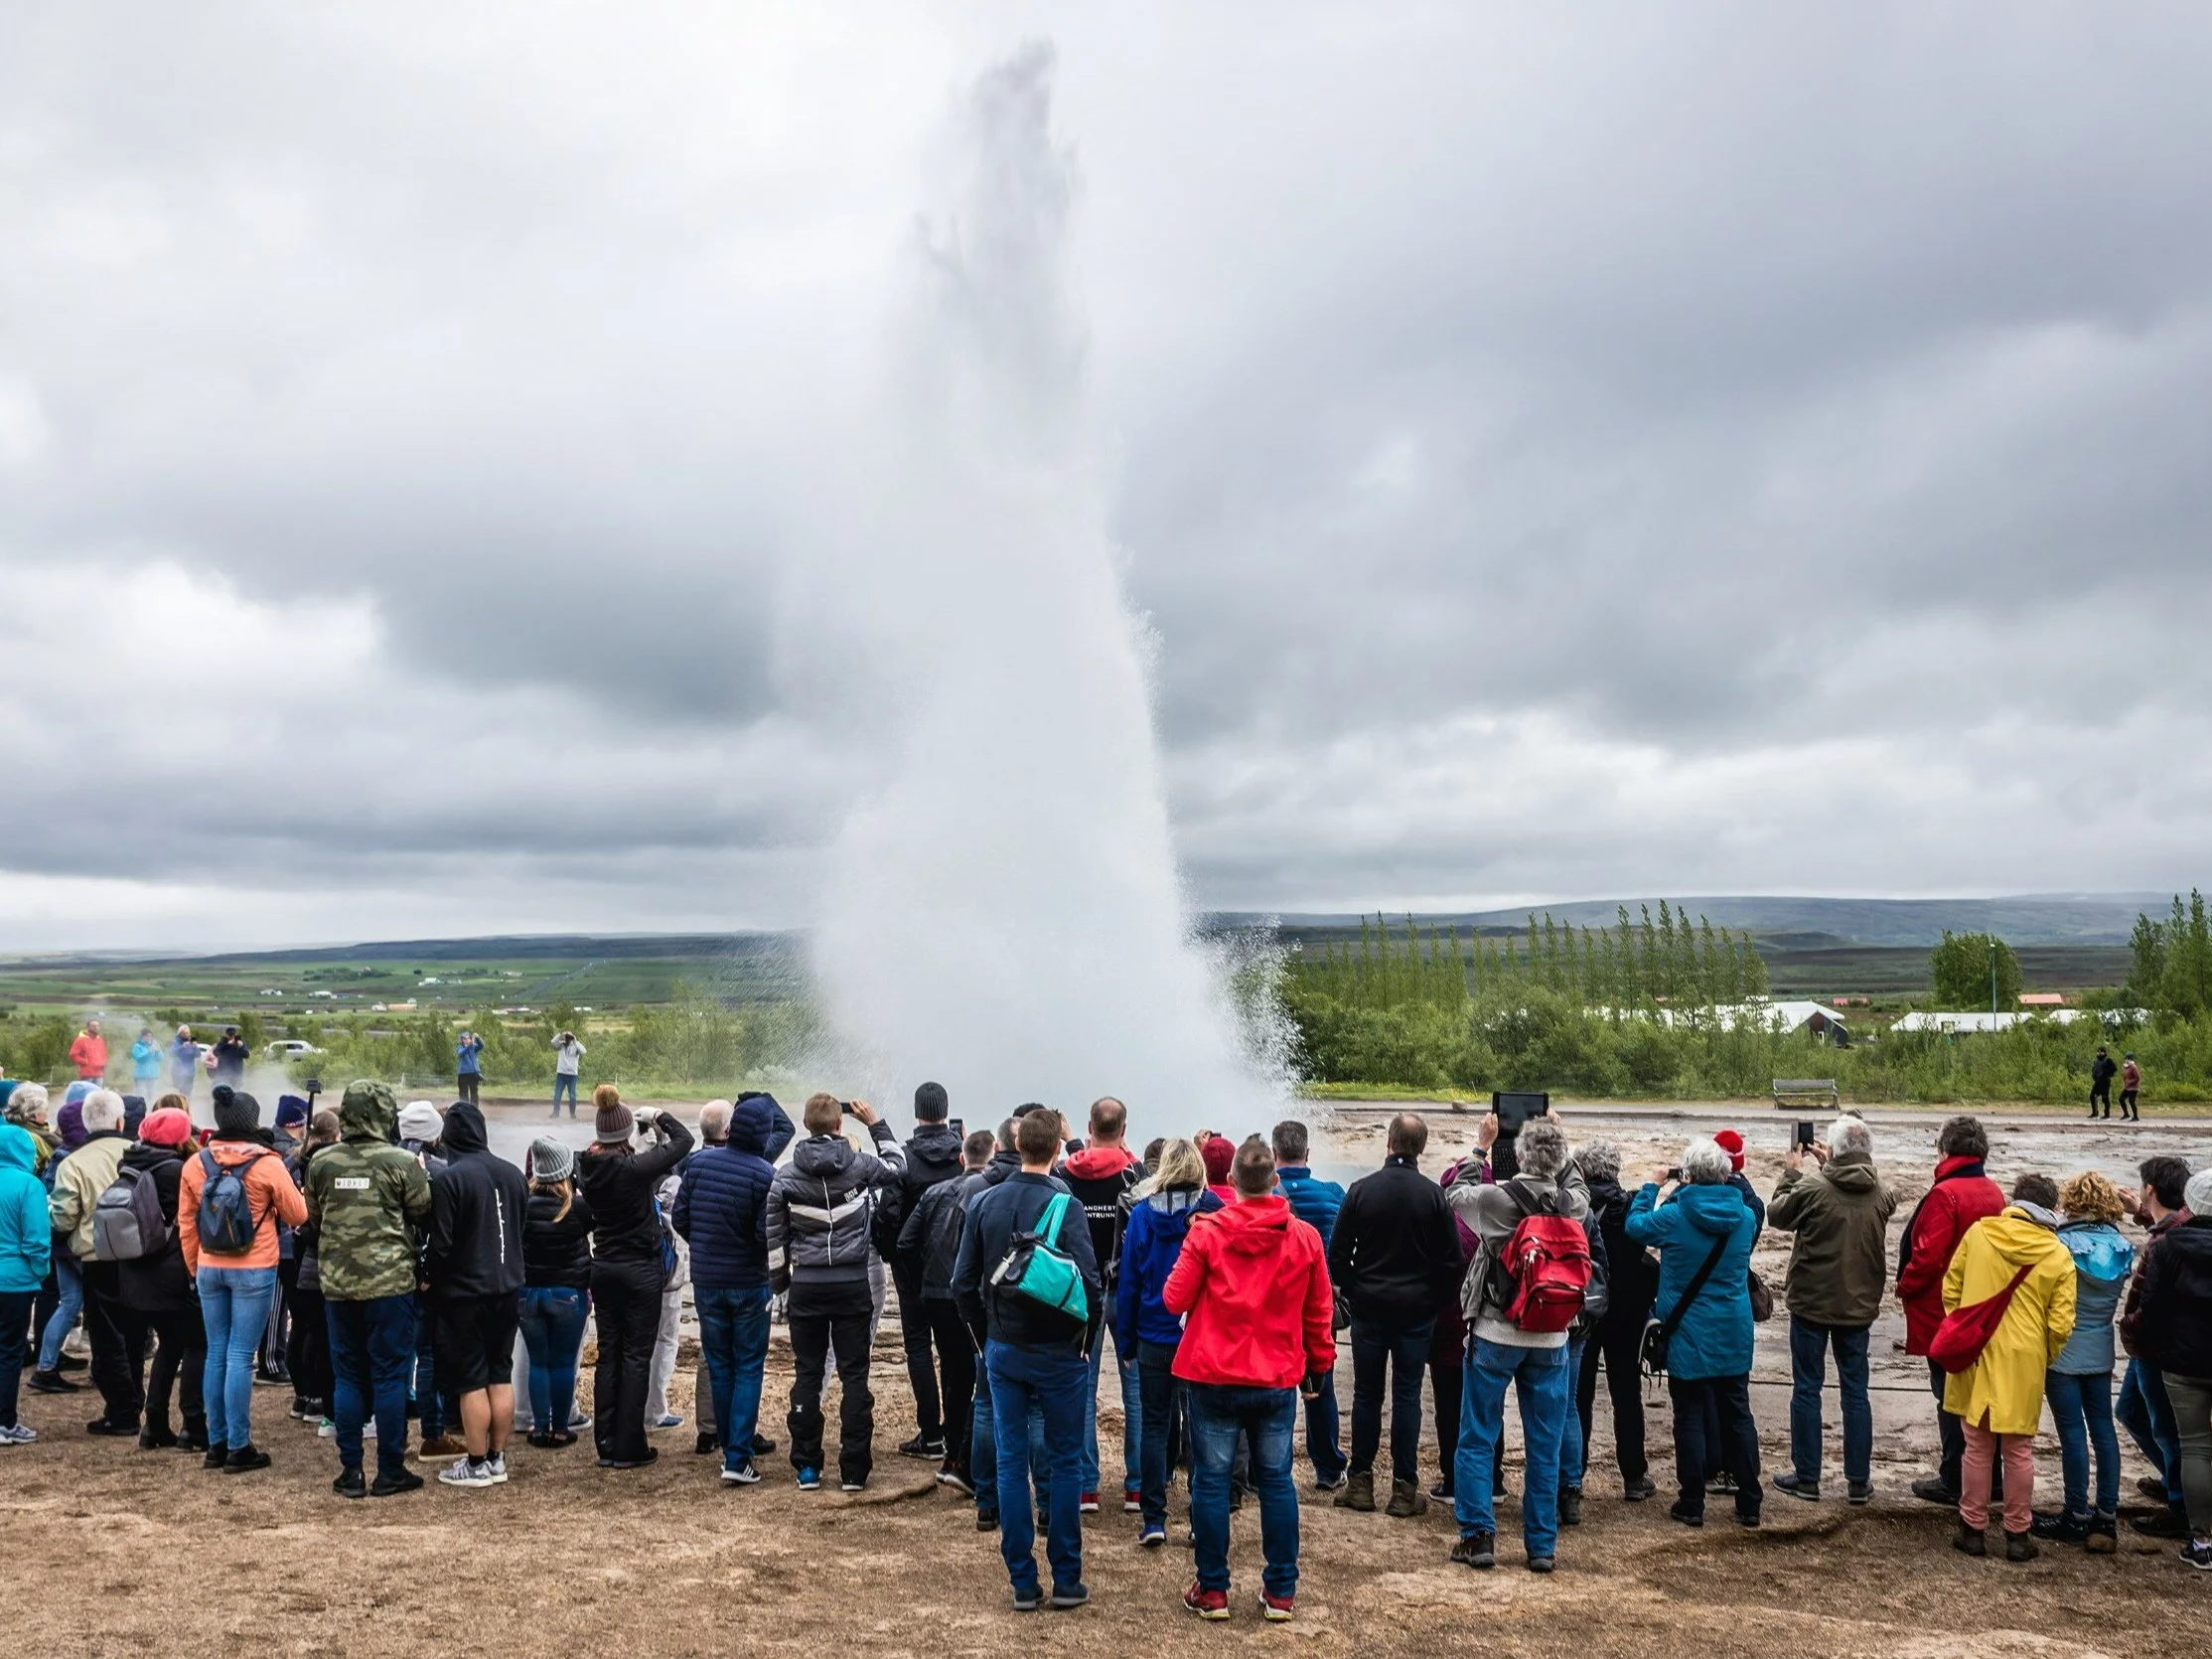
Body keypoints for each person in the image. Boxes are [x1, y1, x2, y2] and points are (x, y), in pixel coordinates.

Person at [1167, 1138, 1333, 1622]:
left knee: (1213, 1482)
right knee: (1278, 1481)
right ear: (1275, 1180)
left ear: (1233, 1182)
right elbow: (1318, 1311)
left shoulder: (1207, 1233)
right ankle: (1280, 1590)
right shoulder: (1303, 1237)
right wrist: (1317, 1366)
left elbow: (1174, 1298)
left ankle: (1213, 1589)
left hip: (1214, 1373)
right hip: (1275, 1374)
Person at [954, 1107, 1102, 1612]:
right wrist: (1084, 1341)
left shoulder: (985, 1202)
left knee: (1011, 1461)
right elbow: (1092, 1285)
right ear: (1057, 1150)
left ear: (1011, 1149)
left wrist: (984, 1333)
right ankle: (1066, 1578)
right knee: (1062, 1464)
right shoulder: (1067, 1205)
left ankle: (1021, 1580)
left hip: (1004, 1348)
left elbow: (961, 1283)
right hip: (1061, 1351)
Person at [1444, 1116, 1589, 1572]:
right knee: (1544, 1443)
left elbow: (1455, 1194)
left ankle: (1478, 1535)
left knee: (1478, 1436)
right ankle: (1541, 1546)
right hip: (1551, 1335)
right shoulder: (1573, 1204)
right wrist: (1563, 1149)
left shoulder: (1497, 1200)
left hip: (1495, 1330)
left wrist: (1481, 1149)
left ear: (1519, 1156)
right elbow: (1578, 1183)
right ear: (1561, 1159)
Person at [1325, 1113, 1462, 1516]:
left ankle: (1362, 1482)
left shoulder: (1361, 1190)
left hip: (1369, 1306)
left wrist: (1354, 1288)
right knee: (1407, 1396)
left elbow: (1336, 1254)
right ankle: (1404, 1489)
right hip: (1417, 1310)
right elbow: (1452, 1261)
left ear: (1389, 1143)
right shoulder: (1434, 1195)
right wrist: (1432, 1297)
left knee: (1367, 1394)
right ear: (1421, 1148)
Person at [766, 1093, 902, 1490]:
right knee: (855, 1377)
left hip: (807, 1284)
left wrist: (781, 1288)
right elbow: (899, 1166)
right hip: (852, 1282)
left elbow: (774, 1241)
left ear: (806, 1126)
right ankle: (854, 1470)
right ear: (840, 1126)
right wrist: (876, 1124)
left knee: (807, 1374)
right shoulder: (858, 1165)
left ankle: (807, 1467)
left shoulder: (785, 1176)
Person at [1627, 1136, 1763, 1531]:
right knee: (1738, 1413)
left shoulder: (1673, 1216)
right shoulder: (1746, 1218)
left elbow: (1635, 1228)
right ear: (1726, 1175)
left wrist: (1653, 1186)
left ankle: (1692, 1502)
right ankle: (1750, 1501)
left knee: (1688, 1414)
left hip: (1687, 1328)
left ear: (1686, 1175)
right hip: (1733, 1326)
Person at [307, 1080, 433, 1499]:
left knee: (348, 1377)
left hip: (339, 1286)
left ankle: (351, 1471)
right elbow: (422, 1210)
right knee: (391, 1376)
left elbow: (314, 1217)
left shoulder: (322, 1163)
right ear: (385, 1114)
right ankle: (390, 1469)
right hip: (391, 1287)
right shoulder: (402, 1162)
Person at [1943, 1172, 2075, 1562]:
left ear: (2016, 1200)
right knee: (2018, 1450)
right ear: (2050, 1210)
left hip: (1978, 1350)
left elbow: (1951, 1287)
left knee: (1977, 1446)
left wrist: (1964, 1327)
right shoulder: (2057, 1254)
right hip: (2025, 1358)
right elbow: (2061, 1322)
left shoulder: (1981, 1234)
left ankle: (1972, 1529)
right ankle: (2018, 1534)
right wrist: (2042, 1354)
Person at [179, 1087, 309, 1472]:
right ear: (251, 1122)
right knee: (240, 1355)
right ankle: (239, 1445)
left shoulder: (196, 1164)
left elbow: (187, 1223)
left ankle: (216, 1443)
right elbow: (298, 1215)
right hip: (254, 1266)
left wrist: (194, 1267)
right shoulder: (268, 1163)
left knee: (216, 1350)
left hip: (208, 1266)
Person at [1767, 1116, 1895, 1505]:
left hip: (1811, 1301)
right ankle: (1858, 1480)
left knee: (1807, 1388)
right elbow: (1855, 1189)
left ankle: (1808, 1477)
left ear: (1836, 1150)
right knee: (1856, 1392)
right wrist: (1833, 1164)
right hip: (1858, 1305)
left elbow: (1778, 1214)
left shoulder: (1811, 1186)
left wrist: (1791, 1174)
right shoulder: (1883, 1192)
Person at [673, 1090, 794, 1485]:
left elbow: (680, 1219)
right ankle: (737, 1456)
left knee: (720, 1364)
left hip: (707, 1282)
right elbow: (767, 1234)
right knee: (747, 1366)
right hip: (748, 1284)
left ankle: (729, 1447)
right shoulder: (765, 1174)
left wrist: (706, 1246)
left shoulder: (699, 1164)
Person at [571, 1089, 691, 1471]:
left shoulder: (585, 1168)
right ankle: (629, 1444)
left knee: (609, 1355)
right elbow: (685, 1142)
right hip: (639, 1270)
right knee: (636, 1357)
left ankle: (605, 1441)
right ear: (625, 1133)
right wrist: (658, 1116)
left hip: (603, 1265)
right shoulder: (634, 1168)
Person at [1115, 1137, 1226, 1544]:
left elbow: (1128, 1283)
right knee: (1201, 1427)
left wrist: (1125, 1342)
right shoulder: (1215, 1212)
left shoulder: (1143, 1215)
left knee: (1155, 1424)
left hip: (1153, 1334)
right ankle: (1199, 1517)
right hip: (1199, 1335)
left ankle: (1154, 1518)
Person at [1898, 1115, 2007, 1506]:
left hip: (1944, 1313)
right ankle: (1990, 1476)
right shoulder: (1992, 1191)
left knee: (1948, 1397)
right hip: (1981, 1309)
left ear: (1945, 1150)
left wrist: (1904, 1285)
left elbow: (1928, 1256)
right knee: (1978, 1397)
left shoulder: (1946, 1193)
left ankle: (1954, 1475)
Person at [418, 1099, 524, 1488]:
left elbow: (441, 1243)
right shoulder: (513, 1174)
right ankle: (497, 1458)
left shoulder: (450, 1178)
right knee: (500, 1372)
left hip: (466, 1293)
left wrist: (427, 1277)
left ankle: (476, 1462)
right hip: (508, 1287)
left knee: (471, 1380)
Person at [2032, 1170, 2135, 1550]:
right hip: (2101, 1348)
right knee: (2104, 1432)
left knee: (2072, 1434)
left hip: (2063, 1351)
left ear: (2071, 1203)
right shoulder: (2123, 1247)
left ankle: (2075, 1513)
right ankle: (2106, 1516)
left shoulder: (2059, 1245)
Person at [1060, 1095, 1146, 1513]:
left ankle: (1086, 1487)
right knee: (1137, 1391)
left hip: (1080, 1292)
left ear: (1089, 1129)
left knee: (1083, 1388)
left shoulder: (1065, 1174)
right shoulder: (1137, 1175)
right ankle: (1137, 1487)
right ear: (1124, 1132)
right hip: (1127, 1292)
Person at [897, 1127, 994, 1494]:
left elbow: (905, 1242)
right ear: (995, 1155)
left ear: (961, 1157)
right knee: (978, 1377)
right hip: (974, 1298)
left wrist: (928, 1272)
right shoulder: (991, 1192)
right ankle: (963, 1459)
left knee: (953, 1373)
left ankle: (952, 1454)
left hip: (937, 1294)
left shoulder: (934, 1193)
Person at [875, 1081, 966, 1465]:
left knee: (917, 1345)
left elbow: (888, 1215)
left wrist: (890, 1254)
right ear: (946, 1111)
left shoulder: (906, 1158)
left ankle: (930, 1435)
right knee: (954, 1352)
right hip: (957, 1266)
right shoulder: (963, 1155)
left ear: (916, 1114)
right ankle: (957, 1433)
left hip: (912, 1268)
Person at [48, 1088, 144, 1436]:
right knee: (136, 1335)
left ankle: (122, 1411)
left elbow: (62, 1218)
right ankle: (135, 1399)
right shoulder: (139, 1154)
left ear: (87, 1124)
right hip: (140, 1258)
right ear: (121, 1121)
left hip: (96, 1257)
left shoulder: (74, 1163)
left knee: (106, 1339)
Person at [113, 1107, 208, 1451]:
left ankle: (153, 1425)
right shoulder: (177, 1171)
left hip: (138, 1277)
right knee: (199, 1344)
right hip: (173, 1277)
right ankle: (193, 1424)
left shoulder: (130, 1163)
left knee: (170, 1345)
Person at [2131, 1167, 2212, 1569]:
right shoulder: (2169, 1239)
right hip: (2186, 1355)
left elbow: (2153, 1307)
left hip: (2181, 1360)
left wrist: (2144, 1338)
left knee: (2193, 1444)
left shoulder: (2168, 1246)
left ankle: (2200, 1537)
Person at [1574, 1139, 1658, 1502]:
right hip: (1626, 1313)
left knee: (1579, 1395)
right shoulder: (1631, 1206)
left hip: (1584, 1309)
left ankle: (1572, 1475)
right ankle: (1634, 1475)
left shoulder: (1574, 1205)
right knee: (1627, 1394)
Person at [2118, 1154, 2195, 1538]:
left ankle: (2182, 1503)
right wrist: (2141, 1214)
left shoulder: (2163, 1243)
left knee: (2164, 1426)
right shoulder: (2183, 1222)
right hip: (2157, 1347)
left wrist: (2127, 1328)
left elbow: (2148, 1305)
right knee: (2131, 1411)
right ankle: (2175, 1479)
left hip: (2154, 1348)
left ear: (2150, 1189)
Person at [1271, 1119, 1348, 1491]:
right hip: (1321, 1300)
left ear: (1274, 1155)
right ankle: (1328, 1468)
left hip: (1277, 1303)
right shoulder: (1333, 1192)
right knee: (1323, 1387)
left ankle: (1273, 1465)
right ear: (1307, 1153)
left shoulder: (1269, 1197)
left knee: (1276, 1386)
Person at [0, 1121, 52, 1445]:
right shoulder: (29, 1185)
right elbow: (36, 1240)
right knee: (9, 1351)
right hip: (16, 1280)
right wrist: (40, 1271)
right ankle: (5, 1422)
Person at [550, 1030, 586, 1119]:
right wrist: (561, 1035)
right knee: (557, 1094)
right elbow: (553, 1042)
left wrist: (575, 1040)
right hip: (561, 1073)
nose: (567, 1039)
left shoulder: (575, 1045)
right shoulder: (561, 1045)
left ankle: (572, 1113)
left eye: (569, 1037)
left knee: (572, 1095)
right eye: (566, 1037)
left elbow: (584, 1051)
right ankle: (556, 1112)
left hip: (572, 1074)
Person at [169, 1026, 205, 1098]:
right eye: (185, 1033)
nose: (187, 1035)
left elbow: (198, 1055)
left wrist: (196, 1047)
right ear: (180, 1033)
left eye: (188, 1033)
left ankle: (187, 1106)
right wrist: (182, 1047)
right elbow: (171, 1053)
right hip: (178, 1071)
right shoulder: (176, 1042)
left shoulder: (191, 1042)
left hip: (190, 1072)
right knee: (178, 1093)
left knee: (188, 1093)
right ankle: (178, 1106)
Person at [70, 1018, 107, 1083]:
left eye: (97, 1026)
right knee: (88, 1092)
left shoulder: (100, 1040)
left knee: (98, 1092)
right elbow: (73, 1054)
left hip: (99, 1074)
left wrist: (103, 1063)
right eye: (93, 1026)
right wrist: (85, 1062)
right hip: (87, 1074)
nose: (95, 1028)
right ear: (88, 1027)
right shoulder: (80, 1039)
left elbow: (104, 1054)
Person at [454, 1030, 485, 1108]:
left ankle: (474, 1109)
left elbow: (481, 1046)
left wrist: (477, 1038)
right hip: (463, 1074)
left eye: (468, 1038)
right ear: (461, 1040)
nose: (466, 1040)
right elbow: (462, 1053)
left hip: (473, 1074)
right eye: (464, 1038)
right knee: (463, 1094)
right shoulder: (460, 1048)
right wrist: (470, 1044)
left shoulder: (473, 1048)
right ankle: (464, 1109)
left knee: (474, 1093)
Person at [130, 1027, 162, 1095]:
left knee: (151, 1095)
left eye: (150, 1035)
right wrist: (149, 1052)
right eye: (147, 1036)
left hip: (153, 1075)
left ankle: (150, 1105)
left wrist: (157, 1052)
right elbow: (139, 1058)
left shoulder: (155, 1044)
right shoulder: (137, 1046)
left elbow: (160, 1058)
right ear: (142, 1036)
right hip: (141, 1076)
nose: (149, 1037)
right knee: (140, 1096)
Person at [2088, 1047, 2116, 1119]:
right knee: (2092, 1096)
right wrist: (2094, 1075)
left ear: (2104, 1052)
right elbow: (2094, 1069)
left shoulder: (2108, 1060)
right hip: (2097, 1081)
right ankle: (2095, 1112)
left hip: (2105, 1082)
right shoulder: (2096, 1061)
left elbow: (2114, 1069)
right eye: (2098, 1052)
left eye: (2101, 1052)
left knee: (2105, 1098)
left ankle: (2107, 1114)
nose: (2099, 1053)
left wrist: (2106, 1075)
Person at [2119, 1054, 2141, 1122]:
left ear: (2131, 1059)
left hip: (2134, 1087)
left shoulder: (2133, 1067)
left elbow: (2137, 1077)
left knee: (2131, 1101)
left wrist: (2130, 1082)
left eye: (2128, 1059)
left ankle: (2135, 1117)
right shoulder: (2126, 1067)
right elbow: (2125, 1075)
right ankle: (2126, 1114)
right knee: (2121, 1099)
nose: (2126, 1060)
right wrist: (2125, 1081)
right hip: (2127, 1087)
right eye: (2126, 1059)